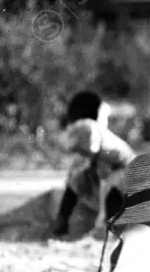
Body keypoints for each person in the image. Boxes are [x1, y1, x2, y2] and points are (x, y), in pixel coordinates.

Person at [53, 96, 135, 237]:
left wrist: (100, 217)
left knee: (113, 185)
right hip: (110, 169)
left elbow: (105, 185)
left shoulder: (104, 149)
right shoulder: (82, 128)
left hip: (127, 172)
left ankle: (109, 229)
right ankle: (61, 225)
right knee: (76, 180)